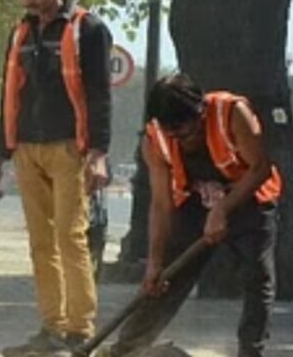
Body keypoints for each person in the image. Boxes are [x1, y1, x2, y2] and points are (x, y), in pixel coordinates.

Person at [0, 0, 112, 355]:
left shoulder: (88, 29)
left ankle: (80, 331)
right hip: (26, 147)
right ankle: (51, 328)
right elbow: (10, 95)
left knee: (70, 237)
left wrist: (98, 153)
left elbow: (99, 95)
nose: (29, 2)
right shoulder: (19, 33)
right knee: (40, 242)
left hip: (69, 148)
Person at [102, 74, 279, 357]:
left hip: (249, 199)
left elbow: (260, 168)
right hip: (196, 203)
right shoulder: (154, 140)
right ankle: (127, 349)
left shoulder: (232, 113)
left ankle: (250, 350)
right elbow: (161, 205)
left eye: (189, 133)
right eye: (175, 135)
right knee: (166, 278)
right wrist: (154, 263)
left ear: (201, 112)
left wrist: (222, 209)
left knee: (257, 277)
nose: (185, 142)